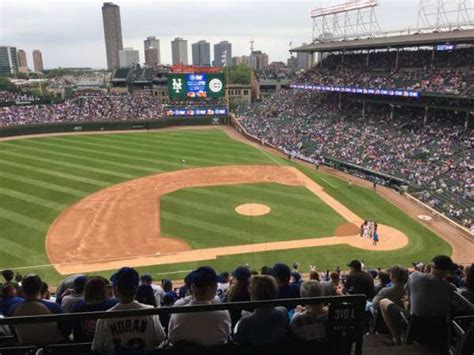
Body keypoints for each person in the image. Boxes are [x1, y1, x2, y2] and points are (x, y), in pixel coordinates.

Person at [92, 267, 166, 354]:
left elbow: (97, 348)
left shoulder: (104, 318)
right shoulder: (150, 312)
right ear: (137, 288)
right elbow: (160, 339)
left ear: (116, 289)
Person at [168, 266, 231, 346]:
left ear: (192, 288)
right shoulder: (222, 314)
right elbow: (226, 336)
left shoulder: (178, 315)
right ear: (211, 289)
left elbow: (172, 339)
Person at [8, 274, 70, 346]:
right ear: (40, 288)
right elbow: (66, 331)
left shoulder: (13, 309)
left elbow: (14, 333)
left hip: (26, 349)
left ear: (22, 289)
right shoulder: (53, 307)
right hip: (52, 348)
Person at [233, 275, 289, 345]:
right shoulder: (283, 312)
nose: (248, 290)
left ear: (254, 293)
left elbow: (237, 341)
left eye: (250, 288)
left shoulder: (246, 321)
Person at [70, 276, 118, 342]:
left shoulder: (77, 306)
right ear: (103, 291)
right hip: (107, 346)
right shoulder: (113, 304)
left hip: (82, 346)